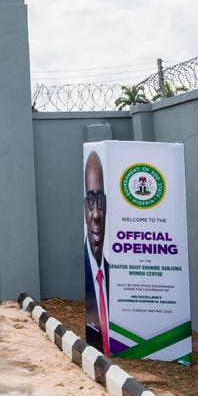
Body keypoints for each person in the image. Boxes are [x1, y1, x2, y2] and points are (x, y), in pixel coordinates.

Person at [83, 151, 111, 353]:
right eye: (90, 201)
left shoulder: (116, 271)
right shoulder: (87, 268)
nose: (96, 215)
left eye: (100, 200)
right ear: (84, 208)